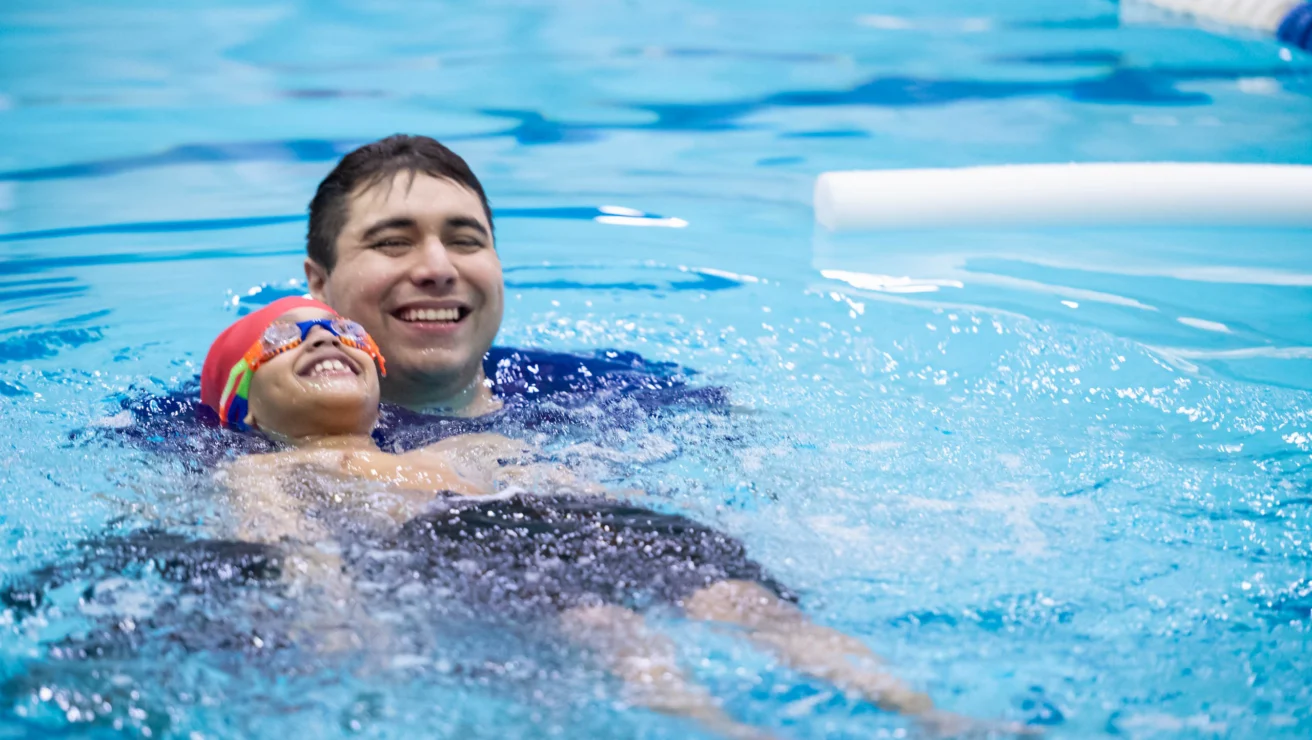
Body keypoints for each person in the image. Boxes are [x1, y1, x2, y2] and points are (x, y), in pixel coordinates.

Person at [198, 296, 1027, 739]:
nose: (320, 337)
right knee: (611, 632)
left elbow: (573, 483)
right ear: (243, 405)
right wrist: (342, 626)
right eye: (283, 341)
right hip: (465, 549)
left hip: (589, 522)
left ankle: (933, 716)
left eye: (338, 330)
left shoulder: (471, 445)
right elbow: (293, 551)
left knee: (747, 606)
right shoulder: (274, 472)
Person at [303, 134, 505, 417]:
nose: (438, 270)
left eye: (465, 241)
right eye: (392, 242)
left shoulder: (578, 389)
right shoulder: (251, 438)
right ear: (320, 283)